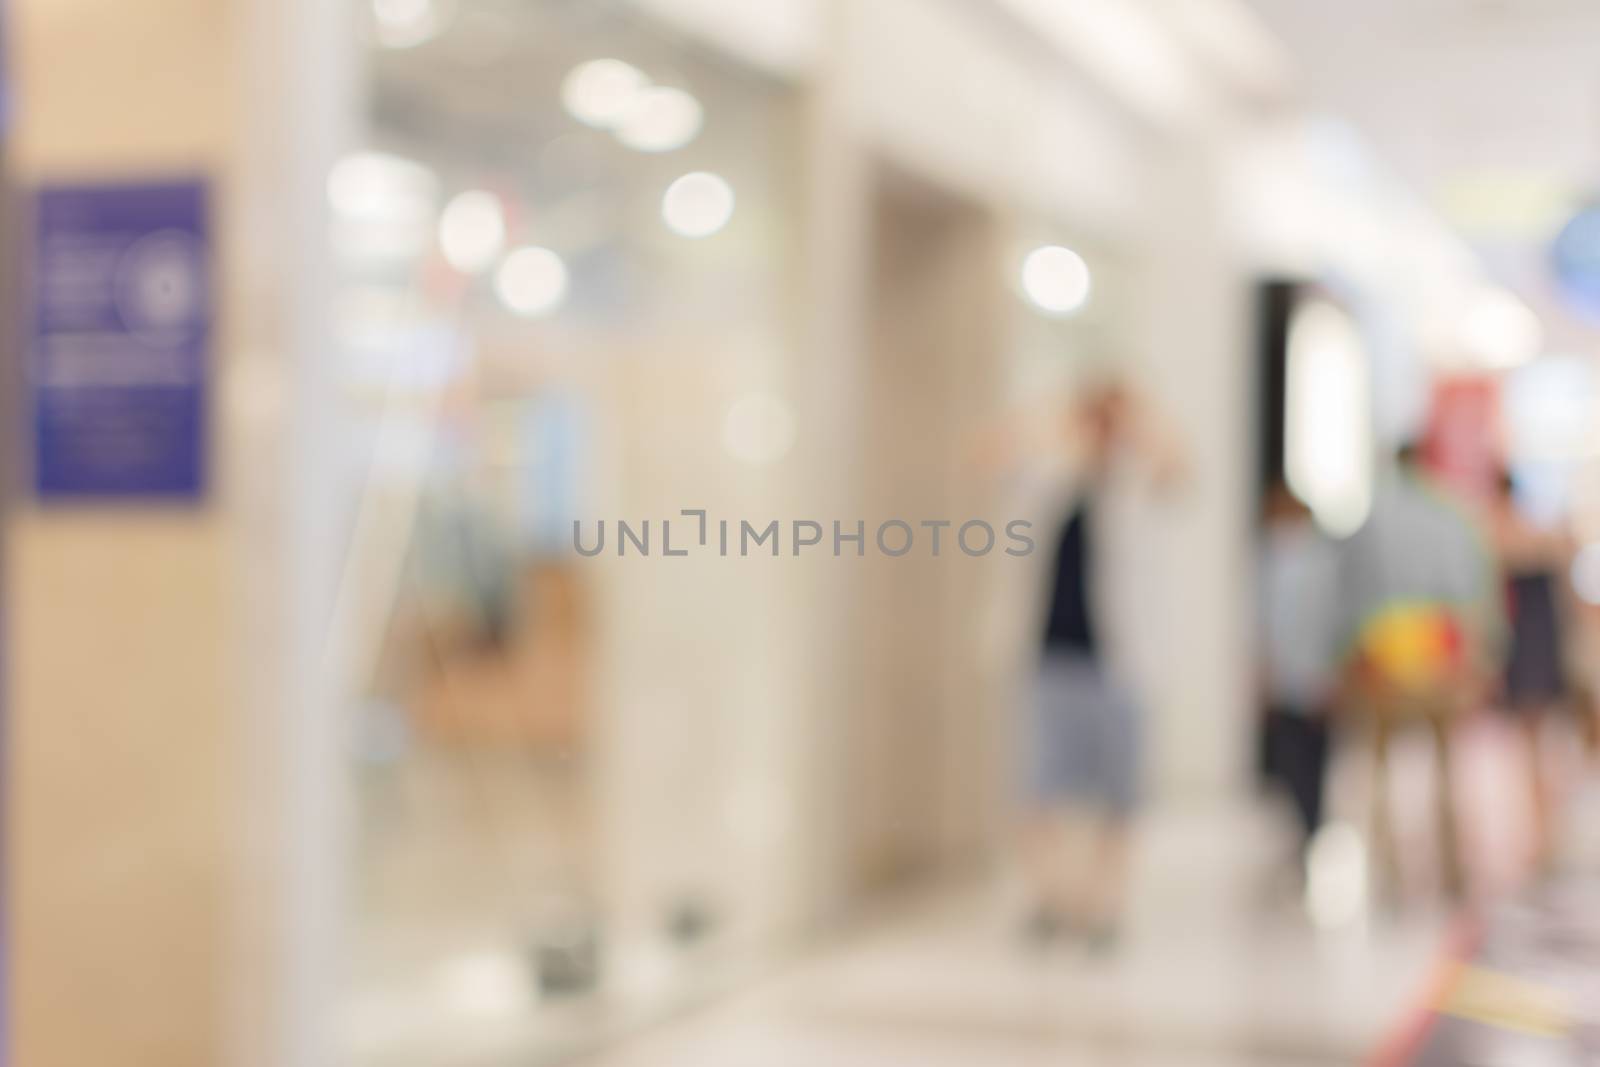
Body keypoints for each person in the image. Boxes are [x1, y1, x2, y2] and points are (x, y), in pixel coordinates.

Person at [1006, 380, 1183, 950]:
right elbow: (992, 449)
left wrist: (1137, 423)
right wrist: (1062, 428)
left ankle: (1104, 908)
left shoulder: (1135, 486)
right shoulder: (1051, 480)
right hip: (1051, 659)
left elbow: (1176, 465)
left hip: (1119, 664)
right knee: (1040, 789)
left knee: (1118, 795)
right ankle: (1052, 899)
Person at [1336, 442, 1498, 898]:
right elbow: (1475, 593)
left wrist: (1347, 656)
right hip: (1443, 653)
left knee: (1381, 767)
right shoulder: (1454, 517)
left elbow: (1351, 594)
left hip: (1385, 655)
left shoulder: (1373, 519)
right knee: (1447, 766)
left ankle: (1388, 875)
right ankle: (1450, 870)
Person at [1485, 469, 1573, 867]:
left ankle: (1545, 835)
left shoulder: (1509, 535)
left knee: (1535, 748)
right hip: (1534, 647)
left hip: (1531, 649)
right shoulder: (1537, 535)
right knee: (1534, 748)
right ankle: (1542, 834)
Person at [1257, 480, 1341, 872]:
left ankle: (1313, 826)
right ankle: (1302, 826)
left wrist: (1330, 672)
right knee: (1291, 756)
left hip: (1317, 675)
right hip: (1286, 677)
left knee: (1315, 755)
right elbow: (1262, 622)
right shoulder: (1269, 560)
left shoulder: (1322, 562)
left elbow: (1330, 623)